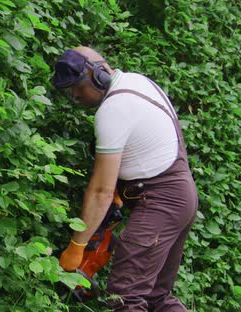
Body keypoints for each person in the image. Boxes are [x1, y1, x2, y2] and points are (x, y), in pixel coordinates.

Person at [52, 46, 198, 311]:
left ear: (98, 76)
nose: (74, 95)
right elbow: (143, 148)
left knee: (125, 296)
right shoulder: (137, 81)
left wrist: (77, 245)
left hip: (160, 203)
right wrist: (122, 196)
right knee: (156, 297)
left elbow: (100, 192)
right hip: (181, 197)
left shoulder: (112, 110)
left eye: (77, 86)